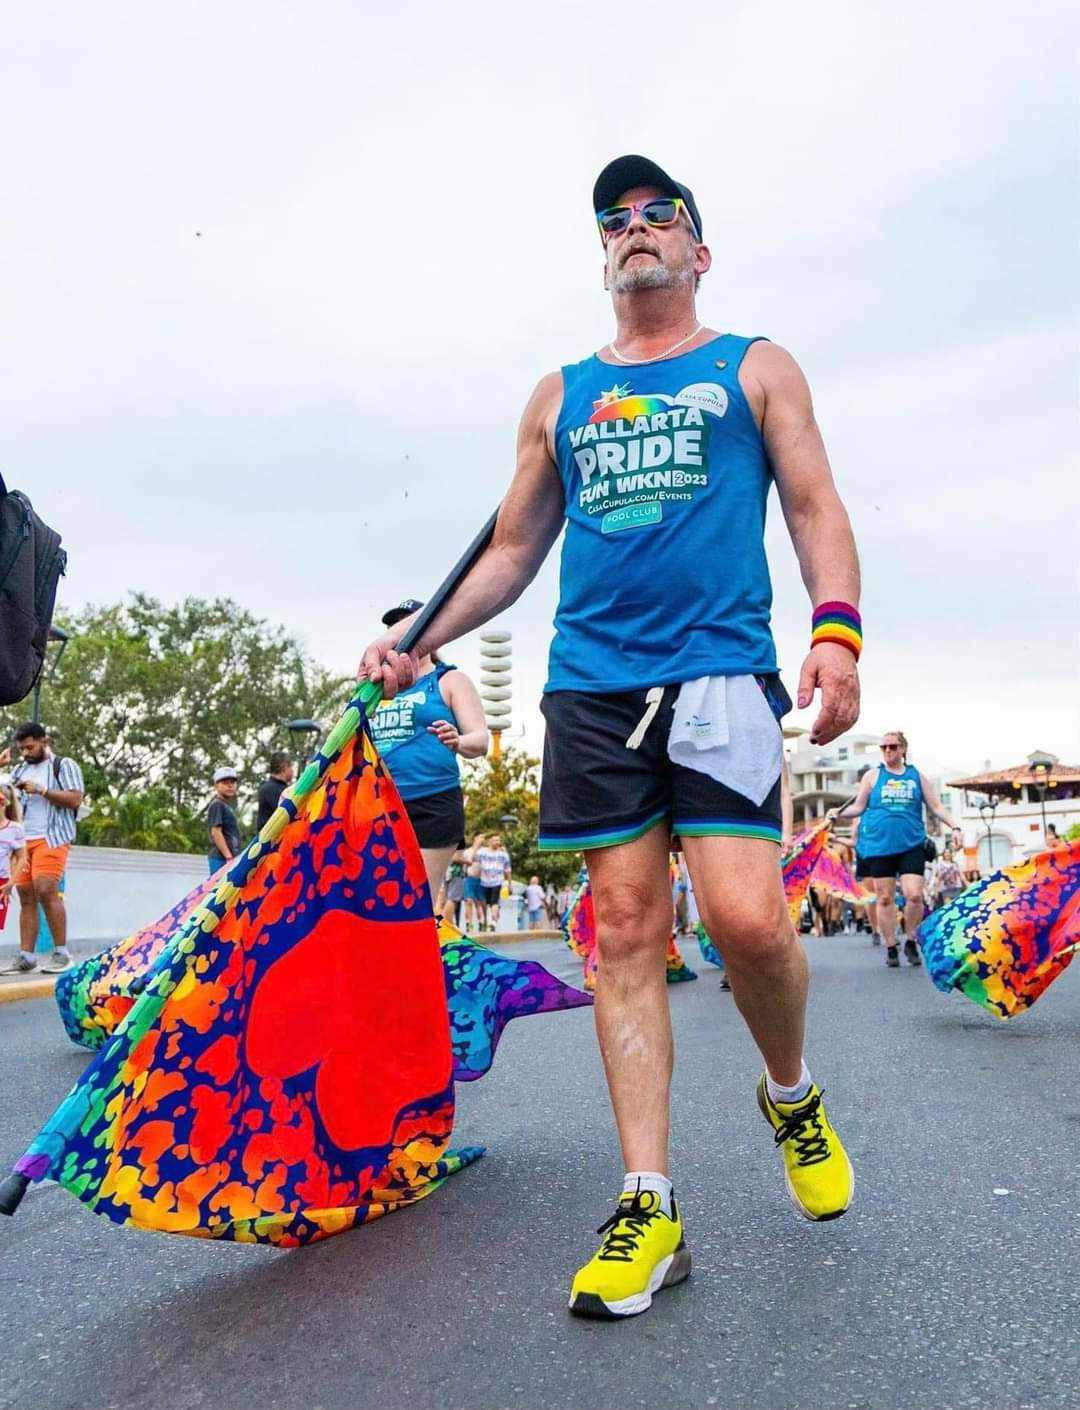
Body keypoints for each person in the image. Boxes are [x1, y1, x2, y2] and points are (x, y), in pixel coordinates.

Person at [362, 152, 862, 1319]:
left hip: (722, 676)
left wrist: (835, 631)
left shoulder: (753, 366)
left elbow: (814, 504)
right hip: (590, 687)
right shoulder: (560, 393)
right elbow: (512, 552)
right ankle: (649, 1202)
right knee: (624, 930)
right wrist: (419, 637)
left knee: (747, 922)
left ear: (698, 249)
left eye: (659, 216)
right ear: (603, 259)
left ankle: (789, 1090)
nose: (635, 230)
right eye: (616, 221)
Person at [369, 599, 488, 902]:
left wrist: (458, 741)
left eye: (410, 624)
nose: (402, 634)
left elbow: (480, 740)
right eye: (394, 628)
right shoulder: (374, 690)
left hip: (432, 804)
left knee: (414, 900)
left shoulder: (449, 680)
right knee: (377, 900)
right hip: (380, 805)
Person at [835, 731, 961, 969]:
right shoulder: (873, 776)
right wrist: (838, 813)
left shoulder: (917, 777)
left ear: (903, 749)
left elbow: (936, 806)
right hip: (879, 845)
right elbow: (859, 807)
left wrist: (955, 826)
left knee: (914, 894)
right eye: (883, 747)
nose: (887, 751)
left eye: (892, 747)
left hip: (911, 844)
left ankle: (911, 939)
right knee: (884, 897)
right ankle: (891, 945)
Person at [2, 722, 84, 974]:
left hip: (52, 836)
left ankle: (62, 953)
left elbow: (75, 798)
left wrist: (42, 790)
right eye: (22, 749)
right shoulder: (18, 770)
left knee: (46, 888)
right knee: (26, 895)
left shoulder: (63, 765)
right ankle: (27, 956)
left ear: (44, 741)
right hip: (24, 838)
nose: (26, 753)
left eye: (30, 747)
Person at [0, 785, 28, 941]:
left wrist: (11, 883)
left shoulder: (15, 829)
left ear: (4, 803)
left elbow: (22, 858)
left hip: (2, 884)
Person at [207, 766, 242, 875]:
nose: (230, 785)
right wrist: (229, 857)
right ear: (216, 786)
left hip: (228, 858)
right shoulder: (217, 805)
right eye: (225, 782)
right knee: (219, 891)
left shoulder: (226, 806)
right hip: (221, 859)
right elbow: (216, 832)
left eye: (232, 782)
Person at [475, 833, 511, 931]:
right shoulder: (482, 852)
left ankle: (493, 923)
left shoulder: (504, 855)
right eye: (495, 840)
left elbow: (508, 870)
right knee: (483, 903)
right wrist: (477, 844)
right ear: (490, 842)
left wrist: (509, 884)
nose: (497, 842)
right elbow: (474, 859)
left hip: (497, 881)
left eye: (498, 840)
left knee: (494, 902)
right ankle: (484, 921)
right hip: (483, 882)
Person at [255, 751, 294, 834]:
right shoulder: (270, 789)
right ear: (284, 767)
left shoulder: (276, 788)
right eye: (291, 767)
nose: (292, 770)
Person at [461, 833, 488, 933]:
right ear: (475, 838)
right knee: (469, 901)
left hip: (482, 880)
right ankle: (469, 924)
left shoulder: (485, 851)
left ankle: (482, 923)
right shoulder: (468, 851)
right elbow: (468, 861)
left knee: (480, 903)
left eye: (484, 838)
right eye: (481, 837)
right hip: (469, 878)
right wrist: (476, 848)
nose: (482, 839)